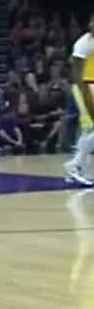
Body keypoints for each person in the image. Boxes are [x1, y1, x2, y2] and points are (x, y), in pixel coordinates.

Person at [64, 14, 94, 185]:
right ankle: (75, 166)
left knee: (88, 131)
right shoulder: (82, 44)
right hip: (82, 88)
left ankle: (75, 167)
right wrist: (87, 98)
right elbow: (77, 74)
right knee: (89, 128)